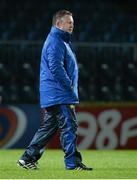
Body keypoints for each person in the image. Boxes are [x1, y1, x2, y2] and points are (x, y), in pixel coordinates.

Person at [17, 10, 92, 171]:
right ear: (59, 24)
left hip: (55, 93)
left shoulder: (59, 40)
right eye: (68, 22)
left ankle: (27, 158)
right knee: (69, 126)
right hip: (60, 93)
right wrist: (69, 85)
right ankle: (72, 163)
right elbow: (56, 67)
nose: (72, 25)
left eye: (72, 22)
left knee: (49, 127)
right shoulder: (56, 41)